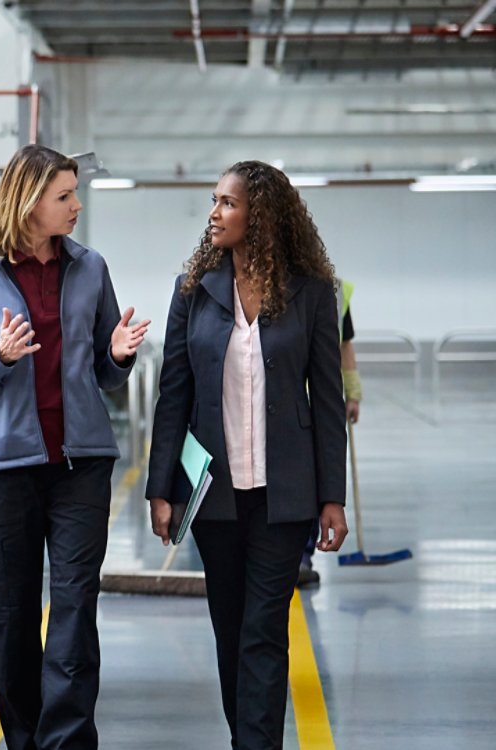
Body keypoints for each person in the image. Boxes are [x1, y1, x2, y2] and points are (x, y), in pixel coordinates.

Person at [0, 144, 150, 750]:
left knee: (76, 610)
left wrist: (117, 353)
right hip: (5, 473)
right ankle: (25, 741)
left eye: (75, 194)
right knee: (11, 622)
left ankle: (70, 742)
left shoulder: (91, 268)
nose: (76, 205)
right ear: (29, 203)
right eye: (64, 196)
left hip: (81, 467)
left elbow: (106, 376)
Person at [145, 160, 348, 749]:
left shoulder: (311, 294)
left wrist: (332, 497)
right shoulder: (194, 292)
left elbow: (328, 402)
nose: (214, 214)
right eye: (214, 202)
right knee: (231, 633)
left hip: (286, 496)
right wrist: (162, 489)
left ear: (260, 215)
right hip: (215, 499)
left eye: (228, 203)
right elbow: (173, 394)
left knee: (264, 632)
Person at [298, 297, 362, 586]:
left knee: (312, 479)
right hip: (289, 400)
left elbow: (344, 345)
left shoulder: (334, 290)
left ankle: (303, 553)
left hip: (321, 400)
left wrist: (353, 392)